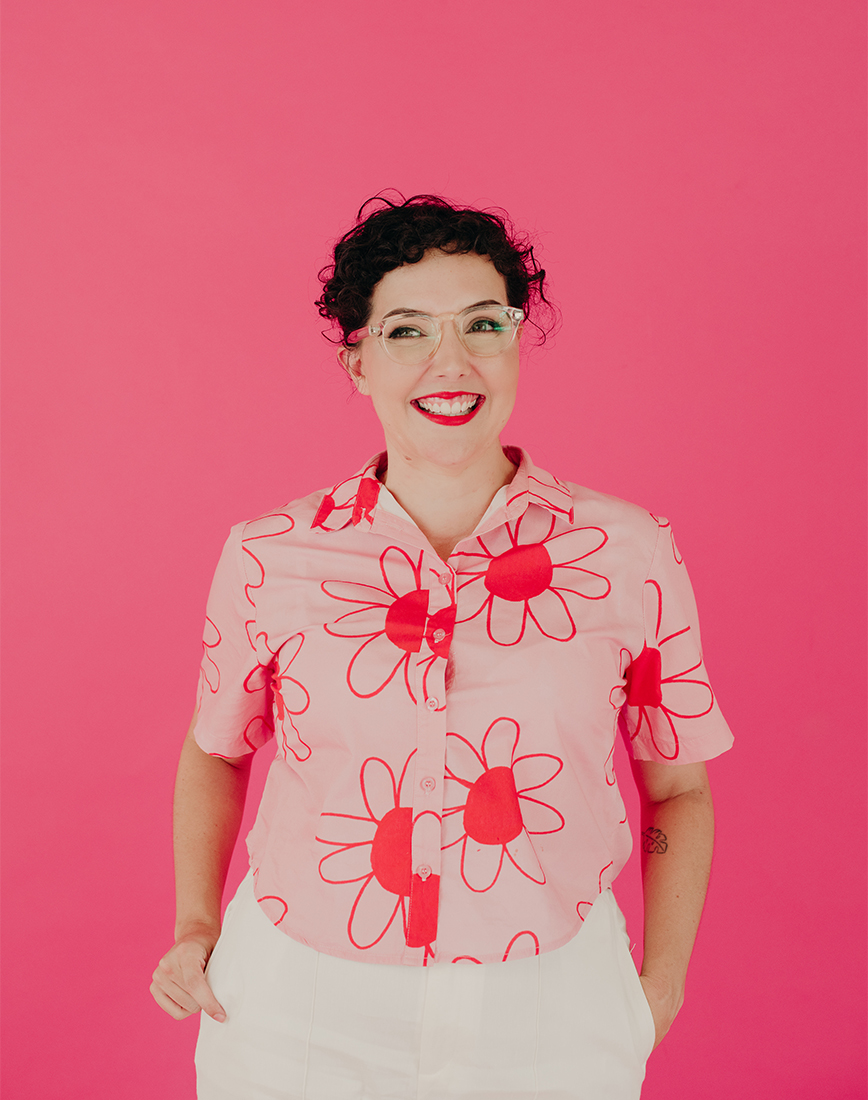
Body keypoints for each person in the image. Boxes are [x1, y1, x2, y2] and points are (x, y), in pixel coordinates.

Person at [150, 194, 733, 1099]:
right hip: (299, 998)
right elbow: (216, 746)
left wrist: (659, 985)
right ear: (357, 362)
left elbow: (679, 786)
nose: (449, 361)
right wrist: (195, 925)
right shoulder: (269, 553)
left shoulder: (626, 549)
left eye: (483, 323)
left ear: (516, 339)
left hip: (548, 998)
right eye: (406, 330)